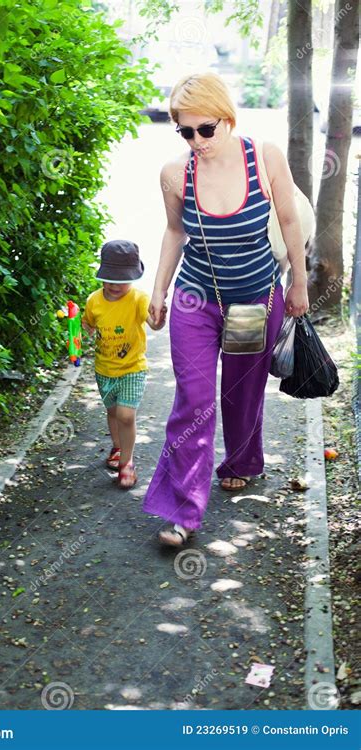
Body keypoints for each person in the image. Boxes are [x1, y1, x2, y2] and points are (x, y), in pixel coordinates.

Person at [142, 72, 309, 546]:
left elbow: (289, 217)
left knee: (241, 392)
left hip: (253, 299)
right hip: (196, 299)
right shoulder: (176, 173)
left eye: (205, 130)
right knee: (194, 399)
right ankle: (182, 510)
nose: (197, 140)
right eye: (185, 131)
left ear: (226, 119)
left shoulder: (264, 157)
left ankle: (240, 460)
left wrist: (298, 280)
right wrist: (159, 290)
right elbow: (175, 231)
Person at [82, 240, 166, 489]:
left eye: (122, 280)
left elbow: (153, 323)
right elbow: (88, 324)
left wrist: (160, 320)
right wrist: (81, 331)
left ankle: (127, 463)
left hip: (132, 368)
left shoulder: (138, 299)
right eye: (110, 279)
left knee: (126, 415)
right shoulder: (94, 301)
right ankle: (117, 448)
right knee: (112, 413)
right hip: (104, 369)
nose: (115, 285)